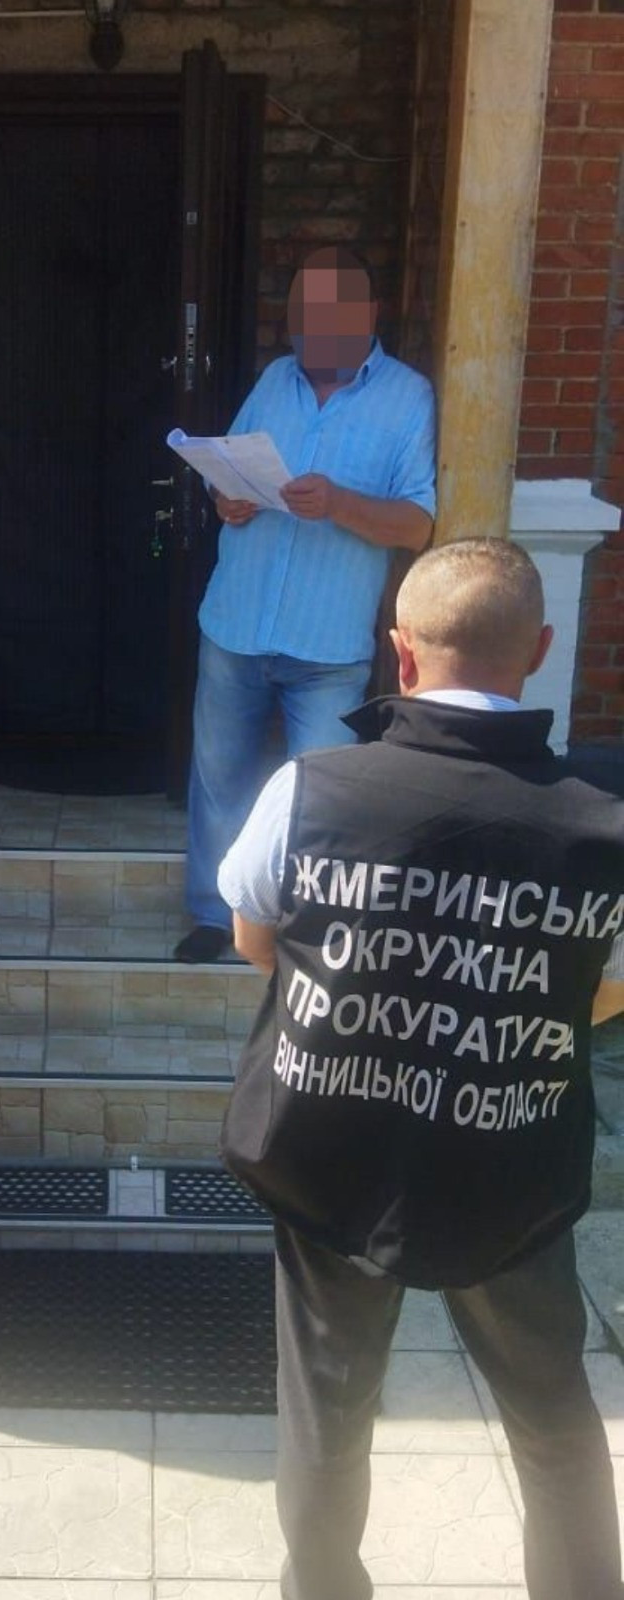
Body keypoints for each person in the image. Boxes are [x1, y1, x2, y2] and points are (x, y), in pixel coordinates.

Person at [217, 536, 624, 1600]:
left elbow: (257, 939)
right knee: (551, 1418)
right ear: (538, 649)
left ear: (399, 652)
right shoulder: (602, 823)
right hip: (509, 1159)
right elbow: (603, 995)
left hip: (329, 1151)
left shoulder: (311, 787)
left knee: (325, 1414)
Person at [176, 244, 437, 963]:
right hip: (236, 621)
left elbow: (417, 524)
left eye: (332, 311)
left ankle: (303, 931)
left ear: (369, 312)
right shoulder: (273, 380)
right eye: (305, 312)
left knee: (319, 797)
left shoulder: (408, 397)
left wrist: (339, 503)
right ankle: (213, 915)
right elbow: (229, 468)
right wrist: (225, 497)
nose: (315, 327)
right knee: (219, 780)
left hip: (327, 643)